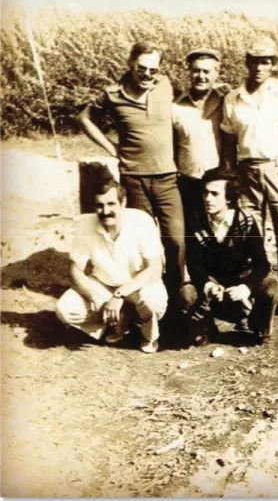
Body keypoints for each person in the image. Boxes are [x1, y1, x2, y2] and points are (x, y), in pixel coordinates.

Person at [78, 41, 185, 301]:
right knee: (139, 243)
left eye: (153, 70)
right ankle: (141, 299)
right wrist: (111, 147)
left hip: (168, 178)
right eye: (142, 68)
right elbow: (84, 119)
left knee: (176, 240)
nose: (148, 74)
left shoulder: (165, 85)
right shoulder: (112, 94)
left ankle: (176, 295)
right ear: (130, 64)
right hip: (133, 179)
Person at [220, 37, 278, 324]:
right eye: (254, 60)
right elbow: (227, 139)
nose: (259, 67)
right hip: (246, 171)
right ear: (246, 62)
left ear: (273, 65)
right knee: (248, 237)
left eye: (266, 61)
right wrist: (229, 175)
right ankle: (252, 296)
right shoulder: (233, 98)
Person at [55, 174, 168, 353]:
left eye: (111, 204)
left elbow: (155, 269)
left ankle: (142, 330)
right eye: (99, 205)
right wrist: (96, 297)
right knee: (65, 309)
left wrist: (119, 296)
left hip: (137, 286)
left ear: (123, 204)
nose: (105, 211)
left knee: (153, 303)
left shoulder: (141, 220)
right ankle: (115, 322)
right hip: (104, 288)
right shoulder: (85, 225)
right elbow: (74, 270)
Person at [180, 168, 278, 345]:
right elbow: (194, 264)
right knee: (187, 294)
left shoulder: (246, 222)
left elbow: (262, 264)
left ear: (228, 198)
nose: (208, 199)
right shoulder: (196, 223)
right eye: (205, 193)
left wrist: (247, 288)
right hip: (214, 284)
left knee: (272, 286)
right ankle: (206, 330)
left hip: (241, 279)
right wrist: (208, 285)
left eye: (214, 194)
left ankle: (259, 328)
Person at [172, 48, 230, 226]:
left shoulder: (226, 101)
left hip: (218, 182)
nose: (200, 76)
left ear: (216, 73)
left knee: (220, 231)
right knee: (192, 232)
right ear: (189, 71)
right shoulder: (175, 106)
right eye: (196, 70)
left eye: (206, 71)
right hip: (187, 181)